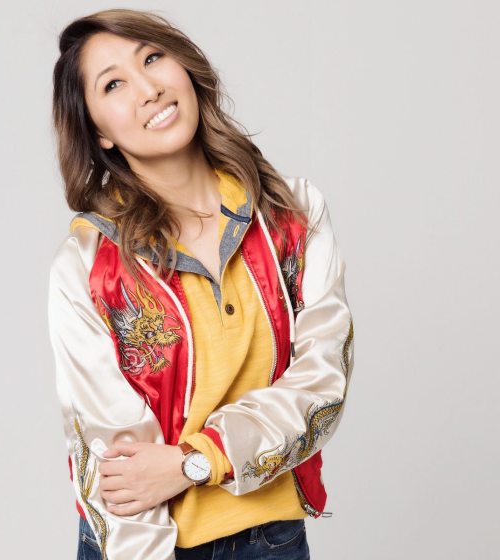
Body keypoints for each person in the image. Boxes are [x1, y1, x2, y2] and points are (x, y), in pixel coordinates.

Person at [47, 8, 355, 560]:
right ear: (99, 132)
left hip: (274, 538)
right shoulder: (90, 266)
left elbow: (322, 383)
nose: (148, 89)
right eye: (113, 84)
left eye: (152, 58)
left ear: (186, 68)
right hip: (147, 544)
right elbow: (119, 472)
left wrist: (196, 460)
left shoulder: (293, 214)